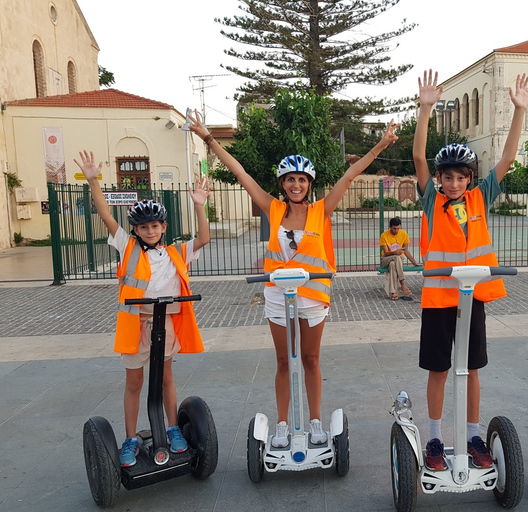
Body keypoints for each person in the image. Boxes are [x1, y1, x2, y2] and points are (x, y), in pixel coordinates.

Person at [188, 111, 399, 447]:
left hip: (313, 296)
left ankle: (316, 420)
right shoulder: (272, 208)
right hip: (277, 296)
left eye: (301, 180)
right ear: (282, 184)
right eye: (289, 180)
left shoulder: (322, 210)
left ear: (309, 184)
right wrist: (209, 139)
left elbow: (350, 173)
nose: (296, 185)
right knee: (284, 361)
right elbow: (240, 172)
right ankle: (283, 423)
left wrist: (382, 144)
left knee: (312, 359)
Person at [413, 69, 528, 470]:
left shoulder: (482, 198)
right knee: (439, 369)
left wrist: (519, 111)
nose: (453, 182)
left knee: (471, 368)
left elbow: (509, 158)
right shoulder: (432, 200)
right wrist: (425, 109)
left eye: (460, 177)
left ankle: (472, 435)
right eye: (447, 177)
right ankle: (433, 439)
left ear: (469, 178)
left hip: (472, 298)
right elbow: (417, 157)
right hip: (439, 298)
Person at [74, 151, 211, 468]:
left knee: (165, 379)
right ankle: (131, 438)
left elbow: (203, 237)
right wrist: (93, 180)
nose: (149, 231)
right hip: (136, 324)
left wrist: (200, 205)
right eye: (143, 227)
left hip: (166, 324)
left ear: (163, 227)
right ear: (135, 230)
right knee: (135, 383)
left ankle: (174, 429)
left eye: (155, 226)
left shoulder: (176, 251)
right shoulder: (127, 246)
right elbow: (106, 214)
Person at [380, 217, 419, 300]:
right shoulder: (384, 235)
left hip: (397, 260)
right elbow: (386, 253)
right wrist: (395, 252)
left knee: (393, 265)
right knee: (396, 258)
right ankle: (402, 283)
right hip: (386, 258)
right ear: (390, 226)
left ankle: (393, 292)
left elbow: (406, 251)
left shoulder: (404, 234)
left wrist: (414, 262)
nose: (396, 231)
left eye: (398, 228)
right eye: (394, 228)